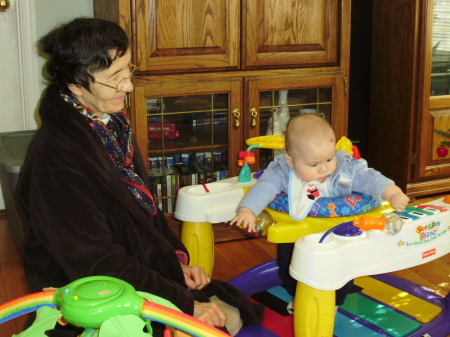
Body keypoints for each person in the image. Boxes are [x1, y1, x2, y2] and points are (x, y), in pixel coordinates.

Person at [18, 18, 262, 337]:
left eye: (128, 71)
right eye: (114, 78)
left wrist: (176, 264)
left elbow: (145, 211)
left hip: (131, 270)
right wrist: (181, 305)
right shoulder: (55, 162)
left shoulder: (110, 128)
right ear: (76, 85)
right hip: (86, 298)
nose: (128, 86)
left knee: (226, 315)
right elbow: (95, 265)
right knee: (211, 324)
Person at [230, 113, 410, 309]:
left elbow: (371, 179)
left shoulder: (344, 171)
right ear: (291, 161)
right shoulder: (283, 172)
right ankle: (297, 295)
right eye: (314, 164)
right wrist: (248, 210)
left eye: (329, 158)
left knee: (342, 268)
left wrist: (393, 193)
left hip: (338, 232)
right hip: (298, 230)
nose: (324, 168)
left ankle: (334, 302)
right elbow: (264, 187)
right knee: (289, 265)